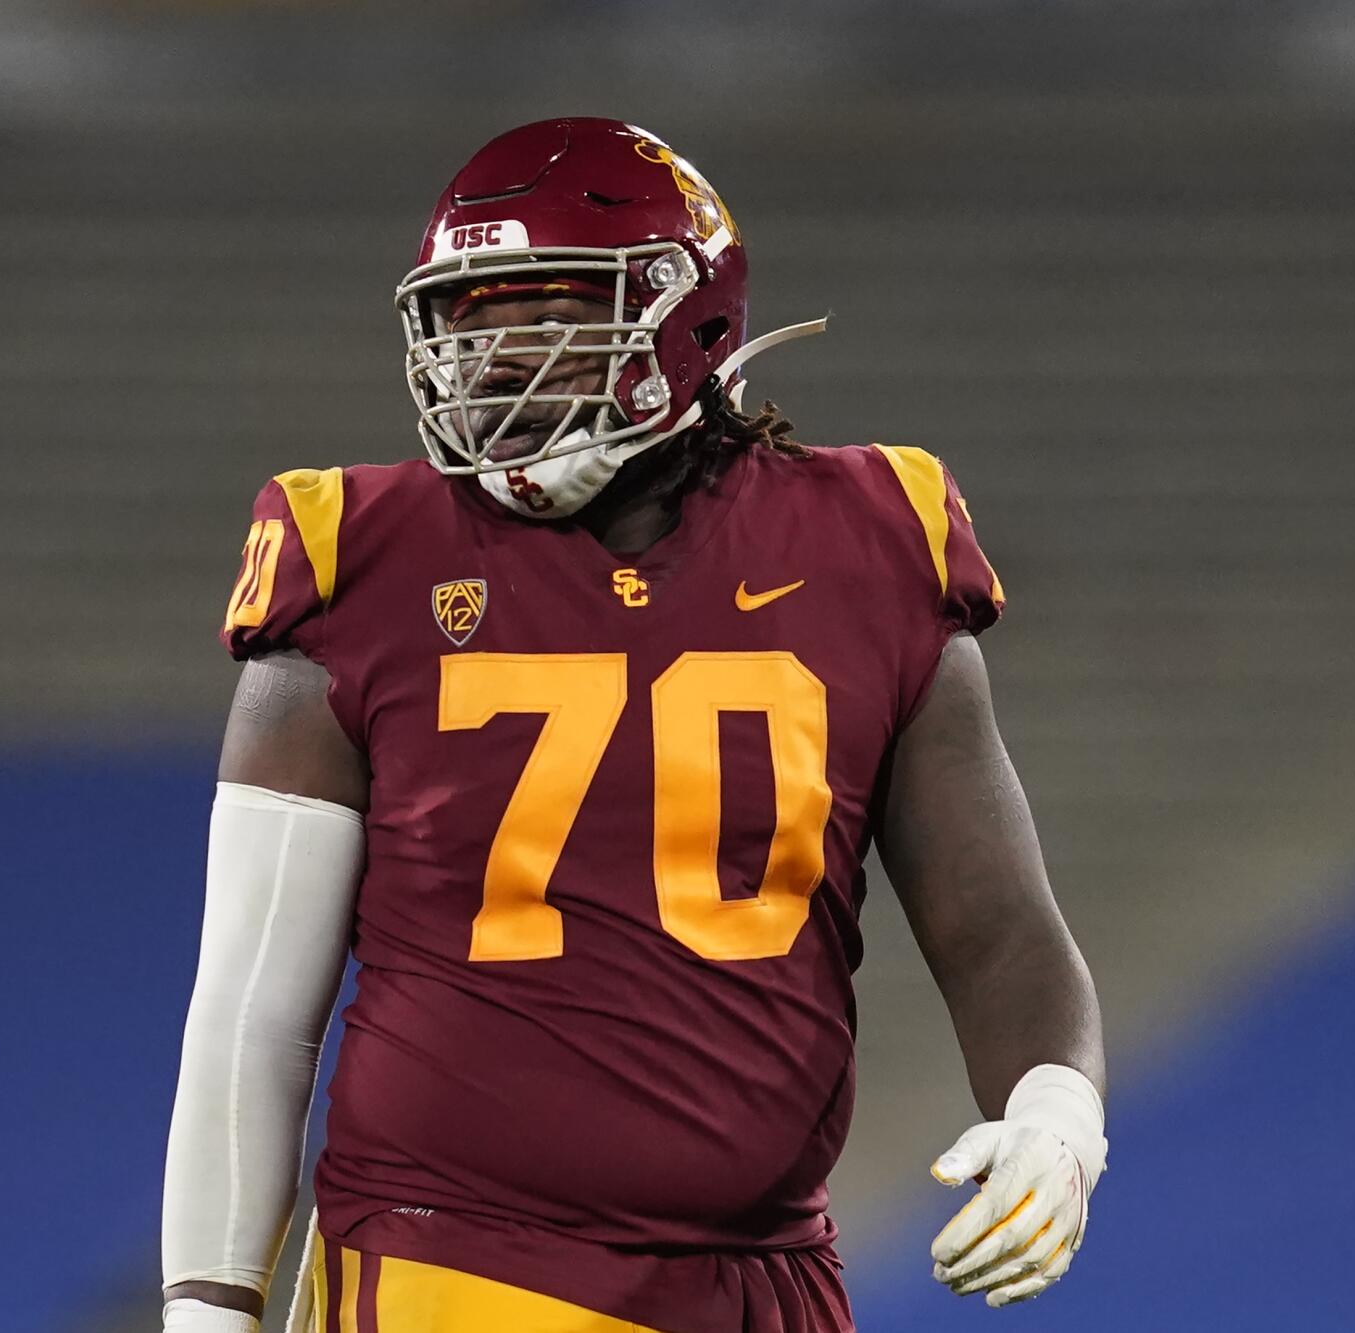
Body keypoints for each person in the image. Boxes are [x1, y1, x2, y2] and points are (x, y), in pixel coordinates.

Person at [160, 118, 1106, 1333]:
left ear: (688, 320)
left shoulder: (869, 542)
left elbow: (997, 931)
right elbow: (249, 1009)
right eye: (469, 318)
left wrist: (1052, 1113)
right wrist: (209, 1307)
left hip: (770, 1280)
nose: (491, 360)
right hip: (457, 1268)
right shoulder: (356, 557)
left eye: (543, 311)